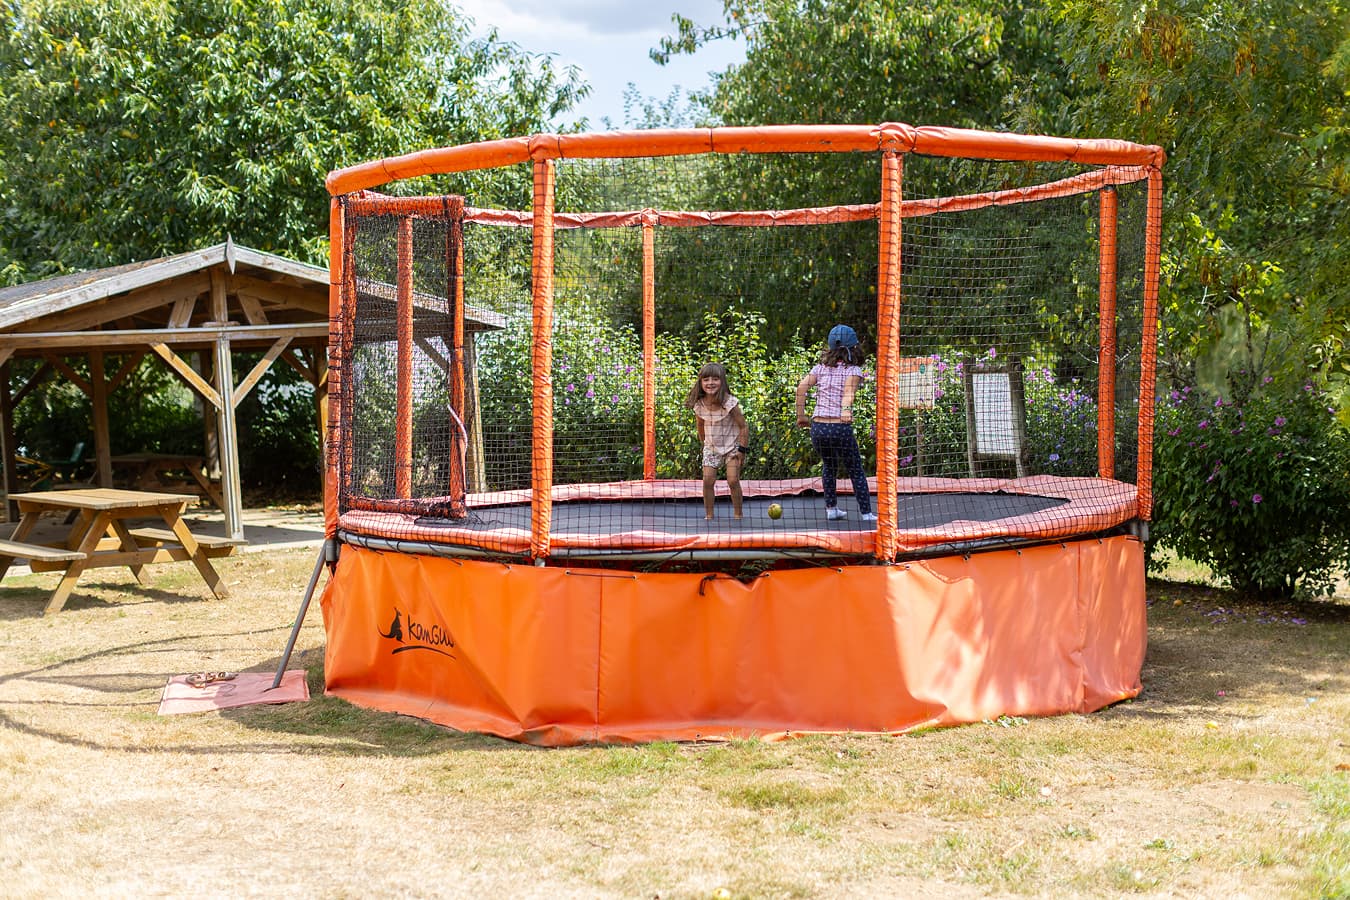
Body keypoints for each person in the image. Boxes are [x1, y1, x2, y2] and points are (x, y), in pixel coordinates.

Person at [795, 324, 876, 522]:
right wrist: (846, 411)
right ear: (854, 348)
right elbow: (848, 393)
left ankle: (831, 509)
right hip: (839, 426)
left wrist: (801, 416)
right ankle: (866, 513)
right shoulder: (854, 370)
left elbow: (801, 389)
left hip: (819, 427)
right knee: (855, 468)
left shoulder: (819, 368)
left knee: (829, 466)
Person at [686, 362, 749, 520]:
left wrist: (742, 450)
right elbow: (700, 425)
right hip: (712, 447)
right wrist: (705, 445)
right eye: (706, 379)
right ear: (701, 382)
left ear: (722, 381)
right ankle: (709, 515)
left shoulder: (729, 402)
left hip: (732, 446)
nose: (710, 383)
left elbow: (743, 427)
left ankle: (738, 515)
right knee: (707, 481)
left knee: (733, 480)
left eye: (715, 379)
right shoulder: (700, 404)